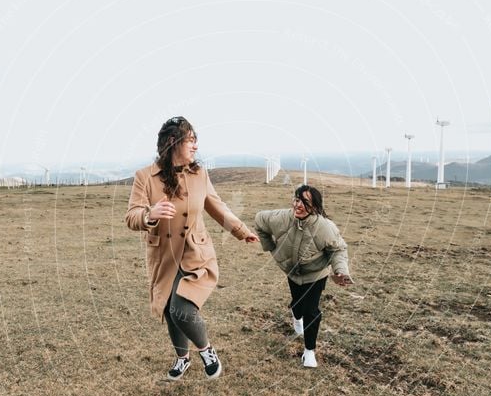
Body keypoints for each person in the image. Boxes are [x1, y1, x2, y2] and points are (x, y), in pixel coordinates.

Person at [125, 116, 259, 381]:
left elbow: (217, 207)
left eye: (196, 141)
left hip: (196, 253)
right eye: (191, 141)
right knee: (168, 309)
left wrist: (241, 231)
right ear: (173, 142)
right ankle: (182, 359)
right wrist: (149, 214)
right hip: (163, 255)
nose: (196, 146)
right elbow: (132, 216)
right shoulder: (144, 177)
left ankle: (206, 350)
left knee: (182, 309)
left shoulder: (200, 175)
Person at [254, 185, 352, 368]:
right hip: (291, 272)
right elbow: (259, 220)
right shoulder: (281, 218)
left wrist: (340, 270)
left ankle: (309, 352)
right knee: (298, 305)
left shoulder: (325, 227)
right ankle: (295, 314)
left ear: (315, 207)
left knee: (311, 310)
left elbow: (339, 249)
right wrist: (271, 248)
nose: (298, 205)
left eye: (305, 202)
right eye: (297, 199)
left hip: (316, 274)